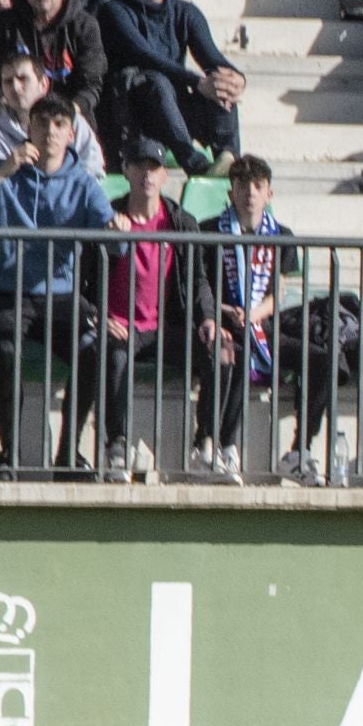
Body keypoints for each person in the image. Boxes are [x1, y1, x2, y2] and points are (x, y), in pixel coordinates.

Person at [0, 92, 107, 470]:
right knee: (4, 349)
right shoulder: (3, 169)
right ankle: (10, 452)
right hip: (4, 291)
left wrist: (116, 226)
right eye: (42, 123)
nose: (50, 132)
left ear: (71, 134)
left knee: (95, 351)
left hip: (61, 297)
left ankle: (67, 454)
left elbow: (115, 242)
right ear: (28, 129)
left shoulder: (83, 183)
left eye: (59, 125)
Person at [74, 139, 205, 480]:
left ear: (165, 176)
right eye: (140, 166)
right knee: (114, 356)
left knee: (221, 352)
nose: (147, 174)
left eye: (155, 167)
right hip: (120, 326)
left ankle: (208, 445)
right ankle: (116, 445)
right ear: (127, 170)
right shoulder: (105, 218)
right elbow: (80, 279)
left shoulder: (181, 223)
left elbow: (198, 281)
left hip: (166, 328)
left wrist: (208, 320)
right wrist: (97, 315)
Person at [101, 0, 245, 178]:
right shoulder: (115, 10)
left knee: (222, 85)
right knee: (157, 81)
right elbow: (144, 55)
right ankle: (197, 166)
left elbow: (212, 58)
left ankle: (229, 161)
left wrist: (236, 79)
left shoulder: (185, 12)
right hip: (136, 119)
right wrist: (198, 83)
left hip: (176, 115)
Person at [188, 158, 296, 482]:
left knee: (314, 358)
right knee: (226, 352)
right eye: (242, 186)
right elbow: (198, 284)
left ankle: (237, 447)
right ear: (231, 192)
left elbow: (279, 293)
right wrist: (222, 311)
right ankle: (209, 444)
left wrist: (252, 315)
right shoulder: (208, 231)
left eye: (257, 186)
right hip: (217, 321)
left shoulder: (281, 235)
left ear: (270, 193)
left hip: (256, 323)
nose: (250, 193)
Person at [0, 0, 103, 132]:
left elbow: (91, 86)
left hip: (69, 119)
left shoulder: (85, 26)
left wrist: (65, 115)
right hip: (15, 118)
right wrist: (14, 111)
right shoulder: (3, 25)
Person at [0, 54, 99, 175]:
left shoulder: (71, 122)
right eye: (8, 81)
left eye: (23, 78)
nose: (15, 87)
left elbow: (93, 169)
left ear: (43, 84)